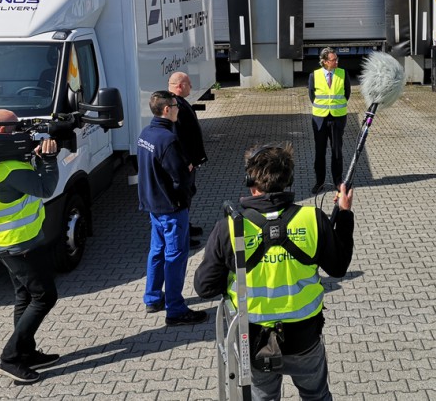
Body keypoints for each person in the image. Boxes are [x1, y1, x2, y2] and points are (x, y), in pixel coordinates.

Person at [194, 143, 355, 400]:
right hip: (305, 338)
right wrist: (344, 215)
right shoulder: (313, 219)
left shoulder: (230, 228)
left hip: (254, 340)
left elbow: (204, 288)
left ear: (250, 180)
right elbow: (338, 267)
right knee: (317, 395)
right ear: (289, 179)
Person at [0, 109, 61, 384]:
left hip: (8, 243)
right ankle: (10, 359)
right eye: (16, 129)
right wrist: (48, 160)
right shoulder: (12, 170)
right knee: (45, 297)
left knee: (24, 297)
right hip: (21, 245)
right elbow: (45, 189)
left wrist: (32, 156)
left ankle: (27, 352)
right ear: (1, 132)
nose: (22, 134)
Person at [137, 90, 206, 324]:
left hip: (153, 205)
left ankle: (153, 297)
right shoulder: (168, 140)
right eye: (176, 106)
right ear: (166, 110)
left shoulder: (146, 133)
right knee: (175, 256)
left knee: (156, 252)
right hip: (171, 208)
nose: (178, 109)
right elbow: (181, 176)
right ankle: (175, 309)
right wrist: (185, 195)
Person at [168, 71, 208, 243]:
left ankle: (186, 226)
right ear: (180, 86)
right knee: (182, 199)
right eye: (188, 84)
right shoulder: (175, 106)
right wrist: (187, 162)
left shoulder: (179, 103)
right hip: (185, 165)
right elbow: (177, 138)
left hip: (189, 163)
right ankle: (182, 236)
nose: (191, 86)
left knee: (187, 196)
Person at [308, 47, 351, 194]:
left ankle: (338, 182)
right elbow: (312, 96)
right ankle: (319, 182)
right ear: (325, 62)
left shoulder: (343, 74)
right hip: (320, 119)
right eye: (333, 60)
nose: (336, 62)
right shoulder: (314, 75)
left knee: (336, 152)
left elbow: (347, 93)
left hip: (338, 118)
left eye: (337, 59)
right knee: (320, 152)